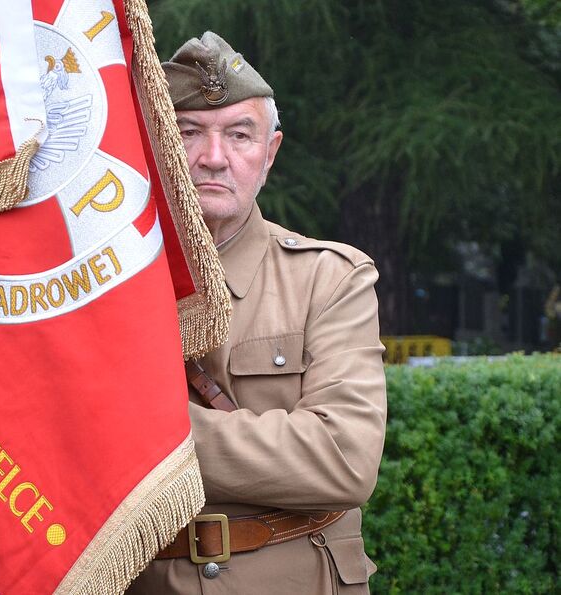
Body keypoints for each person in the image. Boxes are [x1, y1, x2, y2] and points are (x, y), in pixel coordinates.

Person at [127, 32, 387, 594]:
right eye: (188, 133)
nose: (212, 157)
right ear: (153, 147)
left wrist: (133, 436)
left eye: (239, 135)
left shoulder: (329, 279)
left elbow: (344, 458)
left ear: (269, 154)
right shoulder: (100, 288)